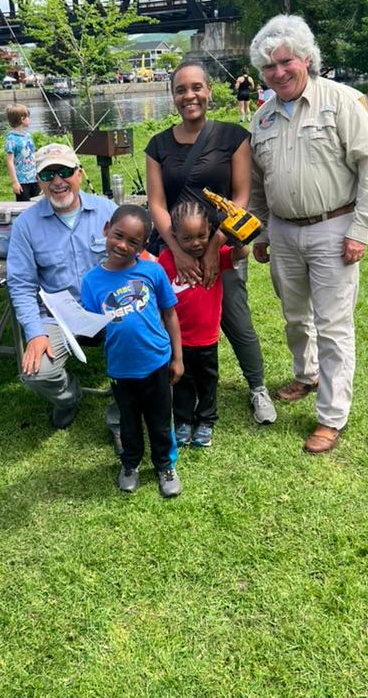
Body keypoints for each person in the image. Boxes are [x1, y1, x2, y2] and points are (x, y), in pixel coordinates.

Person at [248, 14, 368, 454]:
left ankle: (331, 416)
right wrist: (260, 233)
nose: (278, 73)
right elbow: (258, 184)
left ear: (306, 58)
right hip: (283, 232)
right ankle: (306, 375)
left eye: (285, 62)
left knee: (333, 325)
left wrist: (360, 229)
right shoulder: (262, 118)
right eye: (268, 67)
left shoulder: (341, 101)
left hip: (334, 228)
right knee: (294, 316)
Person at [145, 61, 276, 426]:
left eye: (196, 87)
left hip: (222, 244)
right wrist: (177, 250)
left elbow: (241, 196)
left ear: (209, 91)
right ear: (173, 96)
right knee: (170, 318)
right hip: (174, 250)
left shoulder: (233, 137)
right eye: (181, 90)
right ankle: (169, 384)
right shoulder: (158, 145)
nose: (190, 96)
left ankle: (257, 387)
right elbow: (156, 203)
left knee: (235, 316)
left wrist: (216, 246)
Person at [6, 142, 118, 433]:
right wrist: (35, 333)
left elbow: (133, 261)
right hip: (58, 317)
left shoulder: (108, 211)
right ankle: (68, 397)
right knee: (36, 373)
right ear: (38, 181)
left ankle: (121, 413)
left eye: (64, 172)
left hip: (109, 310)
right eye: (48, 175)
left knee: (141, 345)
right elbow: (21, 285)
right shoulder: (26, 225)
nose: (57, 181)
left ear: (79, 173)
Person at [81, 205, 184, 498]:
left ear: (143, 245)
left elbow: (170, 314)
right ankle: (130, 464)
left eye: (133, 242)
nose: (123, 245)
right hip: (121, 369)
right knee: (128, 423)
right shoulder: (91, 281)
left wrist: (177, 358)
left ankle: (165, 465)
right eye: (118, 235)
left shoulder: (152, 271)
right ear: (106, 230)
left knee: (160, 422)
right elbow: (93, 326)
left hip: (156, 363)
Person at [158, 201, 248, 449]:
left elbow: (241, 254)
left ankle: (206, 420)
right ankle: (184, 421)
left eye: (201, 235)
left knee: (207, 381)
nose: (196, 243)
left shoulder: (216, 255)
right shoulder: (166, 260)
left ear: (210, 230)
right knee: (181, 381)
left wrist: (234, 238)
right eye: (187, 238)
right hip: (178, 339)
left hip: (207, 338)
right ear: (174, 236)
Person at [4, 104, 40, 202]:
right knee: (24, 207)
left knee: (37, 204)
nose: (29, 119)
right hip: (22, 181)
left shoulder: (28, 136)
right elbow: (10, 161)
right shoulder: (11, 139)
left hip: (34, 178)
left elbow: (32, 155)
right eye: (27, 117)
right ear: (22, 119)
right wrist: (15, 182)